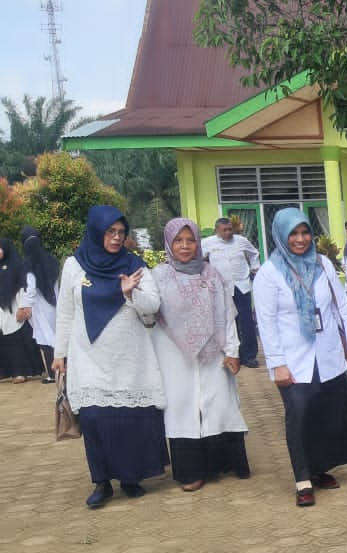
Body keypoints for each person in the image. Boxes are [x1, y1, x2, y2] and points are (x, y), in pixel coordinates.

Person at [53, 206, 169, 508]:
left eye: (121, 232)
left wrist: (130, 294)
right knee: (93, 419)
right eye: (110, 232)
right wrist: (59, 353)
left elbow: (153, 305)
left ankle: (130, 478)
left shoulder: (133, 264)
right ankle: (101, 482)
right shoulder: (73, 266)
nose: (117, 238)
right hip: (87, 355)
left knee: (127, 419)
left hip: (128, 355)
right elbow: (65, 311)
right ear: (95, 231)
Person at [253, 207, 347, 507]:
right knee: (300, 416)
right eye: (293, 234)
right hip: (293, 359)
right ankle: (303, 478)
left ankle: (321, 469)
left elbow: (342, 307)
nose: (301, 239)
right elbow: (266, 323)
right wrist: (277, 363)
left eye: (305, 232)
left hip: (327, 353)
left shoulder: (323, 264)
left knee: (326, 413)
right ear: (280, 235)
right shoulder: (268, 274)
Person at [150, 218, 251, 491]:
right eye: (178, 241)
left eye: (190, 240)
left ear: (198, 242)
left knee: (218, 403)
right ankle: (191, 471)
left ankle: (222, 464)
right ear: (169, 243)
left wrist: (232, 349)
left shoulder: (211, 274)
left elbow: (227, 312)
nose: (185, 246)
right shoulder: (158, 275)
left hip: (213, 352)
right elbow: (148, 309)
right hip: (173, 354)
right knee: (182, 409)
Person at [203, 217, 262, 368]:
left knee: (246, 321)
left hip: (241, 286)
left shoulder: (241, 241)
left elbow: (254, 253)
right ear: (217, 231)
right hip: (221, 288)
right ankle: (231, 354)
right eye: (225, 230)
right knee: (228, 322)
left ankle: (249, 356)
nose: (228, 232)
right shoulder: (208, 243)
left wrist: (255, 269)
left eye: (230, 229)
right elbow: (199, 259)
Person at [20, 226, 60, 382]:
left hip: (39, 306)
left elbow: (30, 288)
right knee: (56, 337)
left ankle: (52, 374)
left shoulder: (28, 263)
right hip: (54, 304)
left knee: (45, 339)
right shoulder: (52, 260)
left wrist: (26, 306)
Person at [0, 239, 42, 383]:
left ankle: (21, 372)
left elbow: (23, 286)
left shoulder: (17, 265)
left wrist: (22, 307)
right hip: (1, 310)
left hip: (14, 308)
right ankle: (5, 372)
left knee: (16, 341)